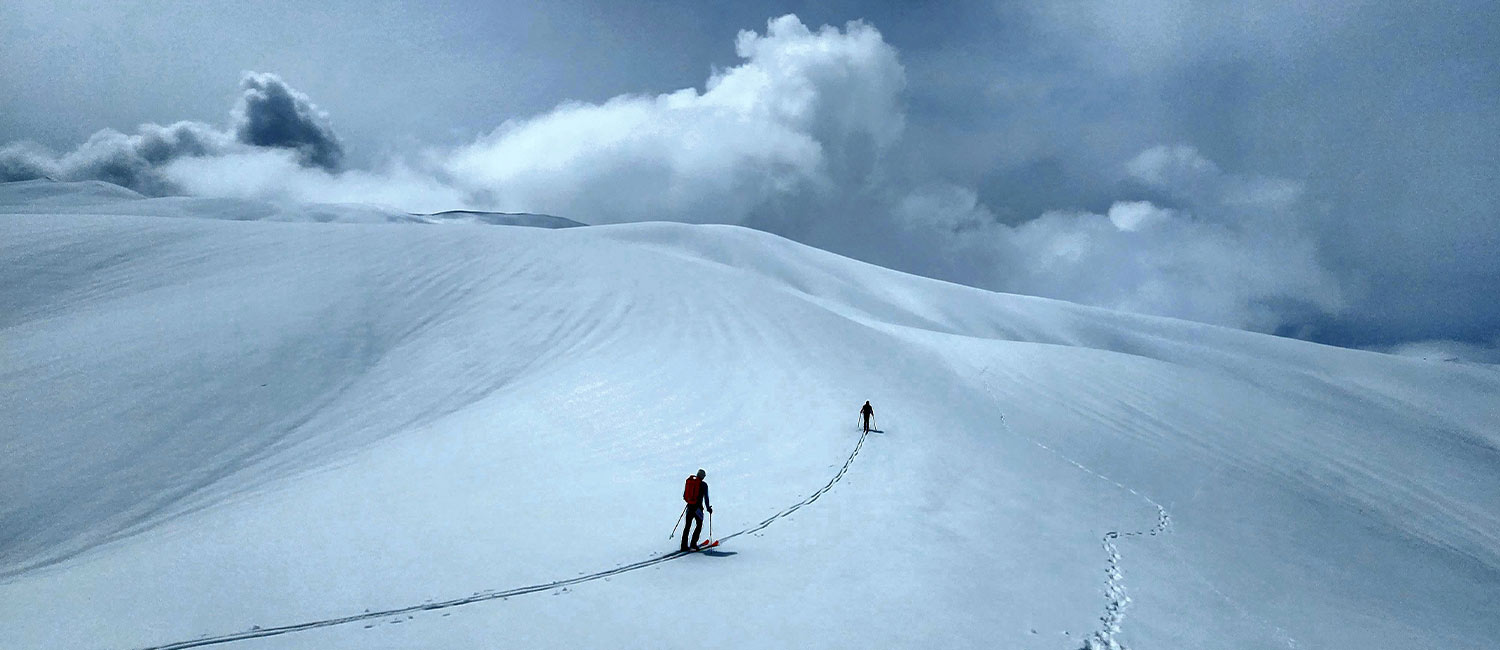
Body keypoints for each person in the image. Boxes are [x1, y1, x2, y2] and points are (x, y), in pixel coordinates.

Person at [681, 468, 713, 551]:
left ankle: (683, 545)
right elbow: (706, 498)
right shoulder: (704, 485)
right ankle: (693, 544)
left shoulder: (691, 482)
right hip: (698, 508)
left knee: (687, 526)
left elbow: (684, 495)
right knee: (699, 525)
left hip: (689, 507)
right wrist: (708, 508)